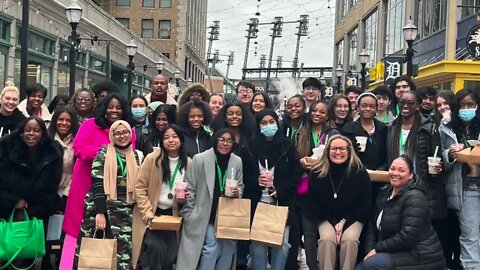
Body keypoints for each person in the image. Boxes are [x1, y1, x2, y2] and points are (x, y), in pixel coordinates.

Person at [60, 93, 135, 269]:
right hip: (86, 185)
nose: (114, 111)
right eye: (110, 107)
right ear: (104, 108)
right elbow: (79, 149)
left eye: (118, 107)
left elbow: (131, 153)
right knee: (77, 230)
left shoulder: (127, 129)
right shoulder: (89, 125)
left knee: (112, 235)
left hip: (117, 192)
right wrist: (107, 154)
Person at [356, 156, 446, 270]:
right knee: (360, 267)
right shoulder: (384, 192)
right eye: (392, 169)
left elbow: (408, 237)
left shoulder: (415, 198)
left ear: (410, 175)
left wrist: (377, 249)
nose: (395, 173)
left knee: (371, 265)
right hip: (394, 250)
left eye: (401, 170)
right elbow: (372, 226)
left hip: (420, 254)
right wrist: (369, 250)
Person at [242, 109, 302, 270]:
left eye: (271, 122)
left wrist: (280, 190)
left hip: (281, 205)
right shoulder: (249, 147)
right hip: (258, 204)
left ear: (277, 123)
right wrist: (256, 181)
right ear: (258, 126)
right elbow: (243, 175)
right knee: (257, 246)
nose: (268, 126)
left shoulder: (287, 145)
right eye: (264, 123)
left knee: (282, 245)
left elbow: (296, 174)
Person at [387, 91, 447, 250]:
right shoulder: (392, 126)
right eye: (402, 102)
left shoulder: (428, 127)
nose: (405, 106)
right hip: (397, 182)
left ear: (419, 105)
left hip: (422, 184)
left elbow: (437, 154)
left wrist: (437, 166)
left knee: (422, 230)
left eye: (410, 103)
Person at [0, 117, 63, 269]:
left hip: (36, 210)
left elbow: (51, 184)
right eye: (28, 130)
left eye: (36, 130)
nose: (31, 134)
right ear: (21, 132)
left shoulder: (53, 152)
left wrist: (29, 205)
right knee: (4, 251)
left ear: (43, 133)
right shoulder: (7, 146)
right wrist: (15, 200)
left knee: (26, 254)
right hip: (6, 207)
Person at [176, 128, 244, 270]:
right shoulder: (200, 159)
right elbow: (191, 187)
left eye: (229, 141)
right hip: (204, 214)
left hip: (227, 214)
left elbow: (241, 185)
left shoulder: (237, 161)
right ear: (215, 140)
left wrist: (238, 192)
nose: (225, 143)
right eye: (222, 140)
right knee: (211, 247)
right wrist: (189, 214)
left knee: (228, 248)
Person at [305, 134, 371, 270]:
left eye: (342, 149)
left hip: (354, 217)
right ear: (327, 151)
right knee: (327, 240)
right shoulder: (317, 173)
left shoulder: (360, 173)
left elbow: (365, 204)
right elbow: (313, 203)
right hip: (325, 216)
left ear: (349, 151)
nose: (338, 152)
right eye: (334, 149)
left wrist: (343, 222)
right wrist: (334, 224)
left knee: (350, 240)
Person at [133, 124, 191, 268]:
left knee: (170, 255)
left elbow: (193, 192)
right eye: (166, 137)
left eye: (174, 137)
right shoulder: (152, 159)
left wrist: (185, 199)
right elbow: (139, 188)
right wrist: (148, 214)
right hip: (153, 214)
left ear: (181, 140)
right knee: (154, 249)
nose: (170, 140)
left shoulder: (189, 163)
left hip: (174, 216)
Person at [89, 120, 143, 270]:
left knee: (125, 255)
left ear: (131, 134)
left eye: (125, 132)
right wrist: (100, 212)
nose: (122, 136)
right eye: (117, 133)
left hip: (129, 211)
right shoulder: (104, 153)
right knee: (103, 255)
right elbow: (97, 183)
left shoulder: (138, 155)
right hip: (106, 209)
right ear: (111, 135)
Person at [296, 100, 339, 270]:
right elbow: (293, 157)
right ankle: (313, 266)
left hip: (327, 189)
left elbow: (339, 158)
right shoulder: (301, 132)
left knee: (327, 234)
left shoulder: (333, 133)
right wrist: (301, 163)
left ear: (327, 115)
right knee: (309, 234)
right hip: (306, 191)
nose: (317, 114)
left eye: (322, 112)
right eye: (314, 111)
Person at [446, 89, 480, 270]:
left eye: (471, 105)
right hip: (465, 188)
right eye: (462, 106)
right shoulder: (449, 128)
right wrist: (450, 154)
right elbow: (442, 154)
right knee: (470, 233)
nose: (466, 109)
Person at [342, 92, 388, 201]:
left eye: (372, 106)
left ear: (376, 108)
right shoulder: (348, 129)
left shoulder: (383, 129)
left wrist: (382, 168)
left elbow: (388, 152)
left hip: (380, 180)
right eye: (364, 106)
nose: (368, 109)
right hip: (355, 178)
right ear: (358, 108)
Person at [435, 90, 461, 270]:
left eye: (446, 103)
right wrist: (448, 156)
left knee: (465, 231)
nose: (443, 107)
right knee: (449, 227)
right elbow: (440, 153)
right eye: (439, 105)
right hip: (448, 184)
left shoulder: (463, 124)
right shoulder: (439, 127)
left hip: (468, 183)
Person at [47, 107, 80, 213]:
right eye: (60, 119)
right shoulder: (46, 140)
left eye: (68, 120)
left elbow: (78, 171)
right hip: (48, 195)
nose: (64, 123)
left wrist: (66, 193)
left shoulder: (78, 141)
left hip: (70, 194)